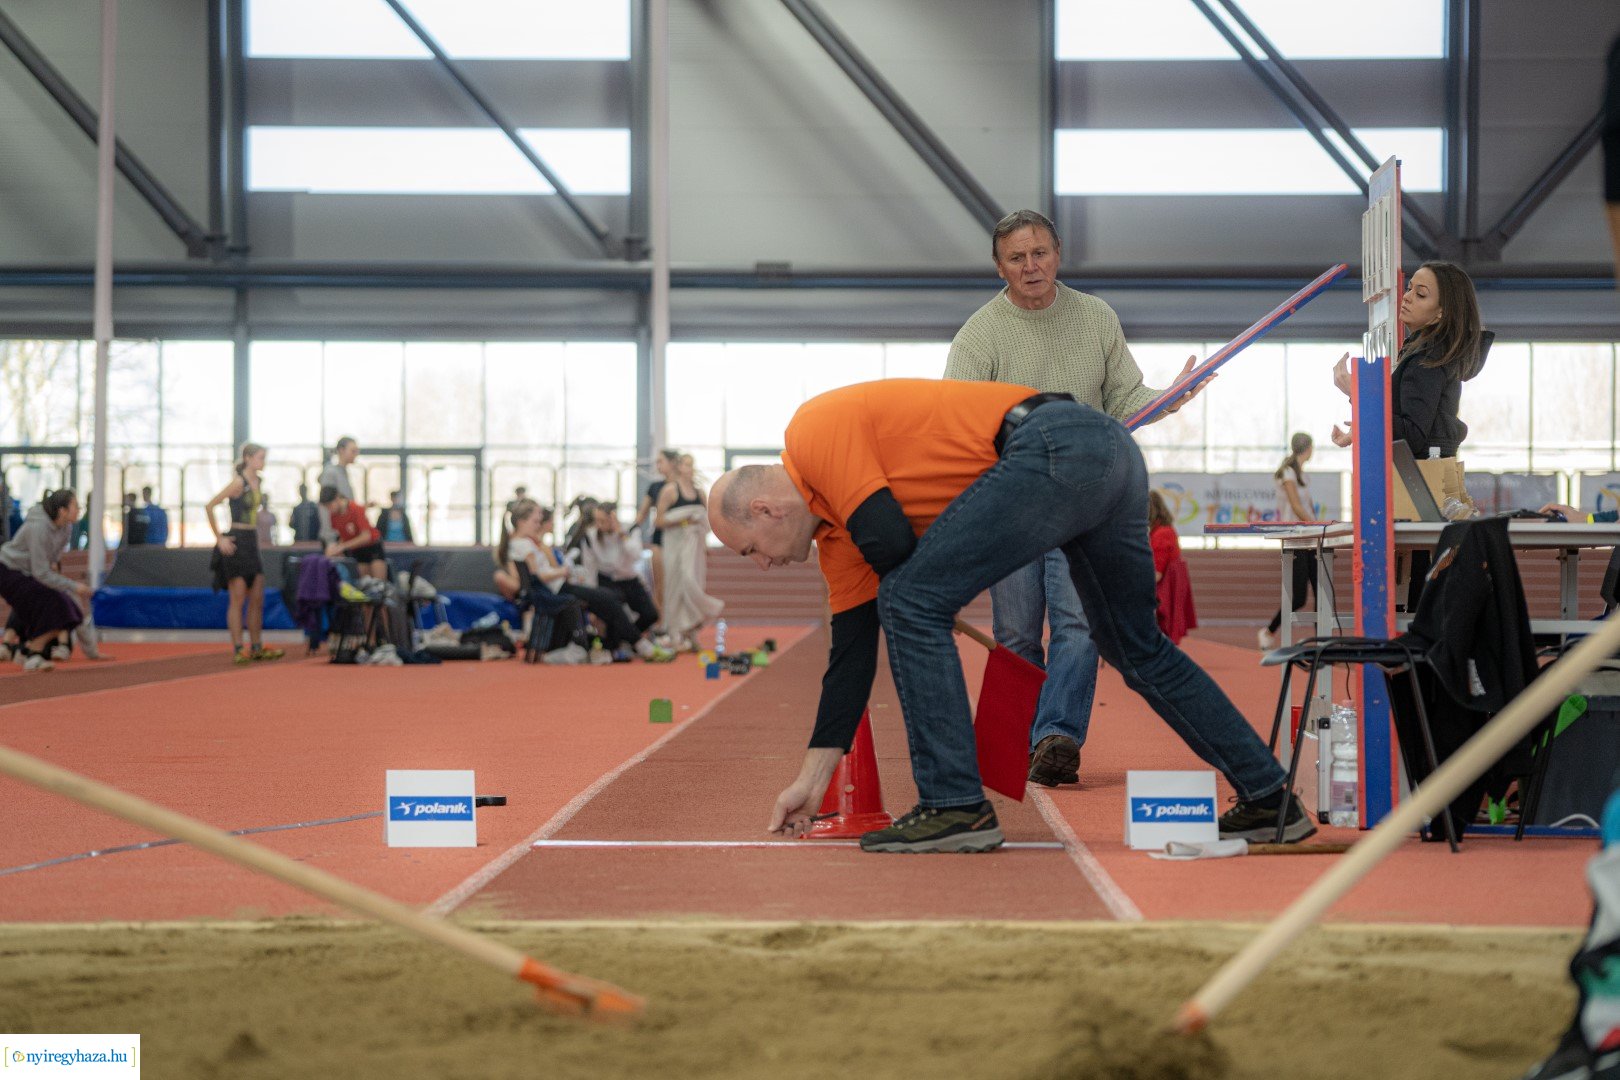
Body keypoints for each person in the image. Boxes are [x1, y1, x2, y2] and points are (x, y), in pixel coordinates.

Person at [708, 379, 1309, 853]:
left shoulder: (811, 432)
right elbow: (851, 661)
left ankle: (953, 805)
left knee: (910, 600)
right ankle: (1269, 797)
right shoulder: (839, 543)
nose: (761, 565)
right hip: (1106, 452)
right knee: (1135, 647)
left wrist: (919, 596)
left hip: (1055, 445)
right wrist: (811, 782)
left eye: (748, 550)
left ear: (765, 510)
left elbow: (890, 541)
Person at [943, 208, 1212, 789]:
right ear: (999, 267)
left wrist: (1169, 397)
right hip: (1010, 505)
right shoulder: (979, 336)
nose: (1030, 266)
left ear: (1058, 254)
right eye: (1016, 258)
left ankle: (1056, 737)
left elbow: (1126, 397)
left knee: (1078, 624)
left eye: (1039, 253)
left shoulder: (1095, 318)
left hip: (1083, 501)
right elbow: (956, 423)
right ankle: (1016, 740)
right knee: (1017, 633)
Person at [1331, 261, 1486, 457]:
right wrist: (1364, 425)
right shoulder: (1430, 354)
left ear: (1442, 312)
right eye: (1409, 288)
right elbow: (1412, 424)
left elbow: (1411, 437)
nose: (1406, 297)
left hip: (1421, 472)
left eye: (1420, 294)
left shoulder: (1428, 358)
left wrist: (1359, 394)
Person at [205, 443, 284, 664]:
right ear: (248, 458)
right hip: (237, 540)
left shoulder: (259, 482)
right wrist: (219, 538)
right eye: (260, 457)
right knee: (237, 598)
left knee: (257, 597)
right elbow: (210, 506)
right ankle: (239, 648)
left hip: (252, 541)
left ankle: (257, 646)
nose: (263, 462)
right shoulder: (238, 482)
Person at [0, 490, 88, 672]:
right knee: (58, 607)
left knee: (66, 608)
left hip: (29, 573)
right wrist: (72, 586)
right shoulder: (38, 527)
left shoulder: (66, 528)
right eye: (75, 506)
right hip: (9, 571)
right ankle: (30, 652)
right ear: (62, 510)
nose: (79, 509)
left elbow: (52, 562)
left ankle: (29, 652)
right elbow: (41, 572)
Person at [496, 499, 584, 662]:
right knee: (571, 601)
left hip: (535, 591)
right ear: (522, 522)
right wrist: (562, 572)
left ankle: (556, 647)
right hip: (538, 592)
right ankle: (577, 645)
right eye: (535, 522)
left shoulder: (520, 543)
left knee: (569, 600)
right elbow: (536, 575)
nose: (538, 525)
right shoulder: (524, 545)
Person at [1258, 432, 1320, 650]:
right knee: (1299, 598)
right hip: (1295, 539)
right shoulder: (1287, 473)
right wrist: (1315, 526)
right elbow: (1295, 505)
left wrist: (1318, 530)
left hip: (1310, 538)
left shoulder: (1303, 476)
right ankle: (1269, 631)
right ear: (1308, 449)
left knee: (1322, 594)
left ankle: (1321, 642)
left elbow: (1308, 507)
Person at [657, 454, 723, 651]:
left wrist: (705, 545)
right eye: (687, 465)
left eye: (692, 465)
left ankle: (692, 632)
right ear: (679, 467)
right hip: (674, 546)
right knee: (676, 586)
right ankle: (674, 633)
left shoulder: (700, 492)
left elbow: (705, 521)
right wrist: (685, 521)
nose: (691, 468)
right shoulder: (670, 491)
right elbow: (659, 521)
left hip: (694, 548)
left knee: (693, 583)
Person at [578, 501, 662, 651]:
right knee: (614, 610)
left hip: (629, 578)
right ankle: (631, 644)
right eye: (597, 520)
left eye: (603, 521)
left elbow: (636, 555)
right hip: (606, 580)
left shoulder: (630, 529)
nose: (599, 525)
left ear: (613, 518)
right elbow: (589, 569)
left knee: (651, 614)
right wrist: (592, 598)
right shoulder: (590, 537)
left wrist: (622, 535)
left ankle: (626, 640)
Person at [633, 449, 680, 616]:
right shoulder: (655, 487)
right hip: (660, 539)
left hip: (681, 541)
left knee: (680, 585)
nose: (657, 466)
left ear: (672, 463)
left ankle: (677, 621)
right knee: (660, 583)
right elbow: (642, 515)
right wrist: (627, 532)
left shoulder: (684, 488)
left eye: (661, 461)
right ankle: (660, 621)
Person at [1149, 490, 1196, 645]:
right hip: (1163, 591)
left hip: (1162, 594)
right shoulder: (1164, 531)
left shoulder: (1161, 534)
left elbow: (1157, 574)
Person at [318, 485, 388, 581]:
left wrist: (342, 547)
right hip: (356, 550)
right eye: (326, 507)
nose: (329, 509)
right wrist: (335, 548)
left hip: (373, 547)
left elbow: (366, 536)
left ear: (337, 498)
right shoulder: (333, 516)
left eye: (330, 505)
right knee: (364, 583)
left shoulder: (356, 508)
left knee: (379, 583)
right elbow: (344, 536)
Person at [317, 436, 360, 547]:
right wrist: (330, 539)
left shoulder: (343, 473)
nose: (356, 454)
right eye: (353, 451)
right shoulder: (331, 473)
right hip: (334, 537)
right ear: (341, 450)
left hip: (344, 534)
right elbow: (325, 506)